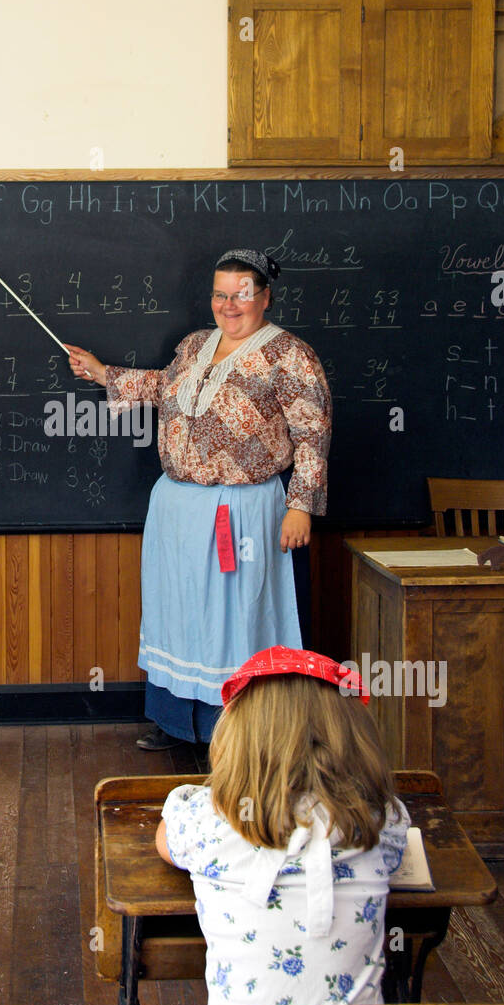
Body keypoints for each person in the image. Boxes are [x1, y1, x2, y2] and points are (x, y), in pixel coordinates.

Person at [66, 248, 331, 751]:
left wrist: (300, 505)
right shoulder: (194, 346)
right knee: (179, 611)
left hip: (243, 510)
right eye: (219, 294)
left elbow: (313, 434)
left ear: (264, 297)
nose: (229, 305)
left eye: (242, 295)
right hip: (177, 509)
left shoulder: (290, 356)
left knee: (234, 620)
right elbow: (165, 388)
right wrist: (103, 373)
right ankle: (175, 722)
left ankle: (233, 734)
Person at [155, 646, 411, 1005]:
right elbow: (398, 855)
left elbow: (165, 839)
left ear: (236, 736)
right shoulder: (379, 821)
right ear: (352, 736)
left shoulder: (209, 823)